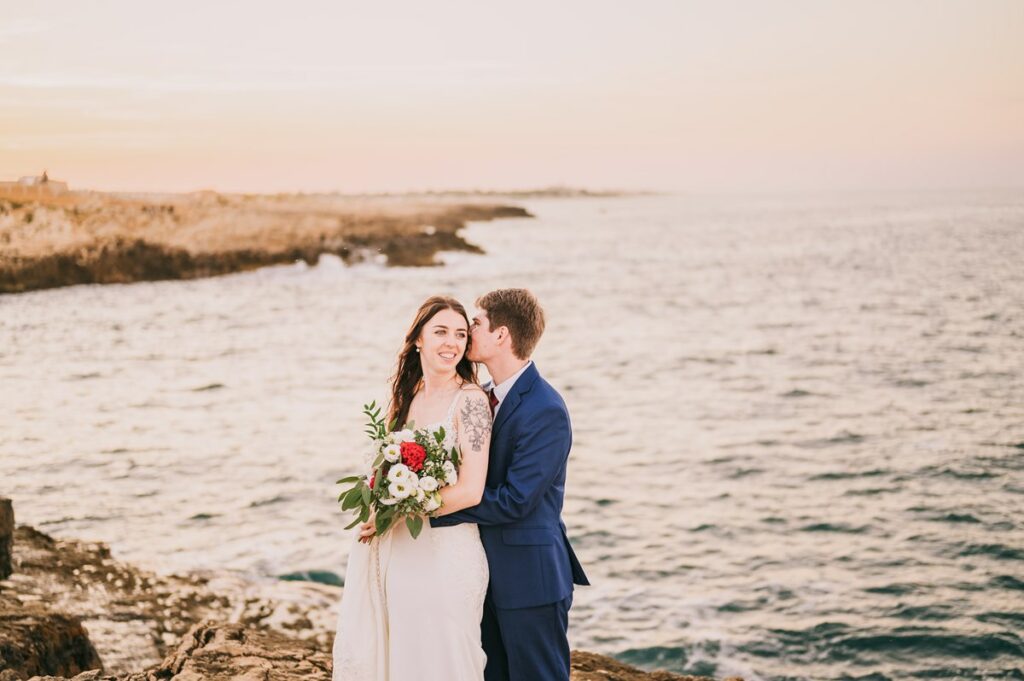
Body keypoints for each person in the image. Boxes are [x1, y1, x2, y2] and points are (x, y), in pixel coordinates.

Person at [430, 288, 590, 681]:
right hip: (482, 575)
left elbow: (516, 500)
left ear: (501, 336)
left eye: (476, 324)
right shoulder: (480, 397)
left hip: (530, 578)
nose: (467, 331)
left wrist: (429, 507)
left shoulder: (545, 409)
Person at [332, 295, 493, 681]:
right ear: (418, 339)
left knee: (441, 659)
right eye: (440, 332)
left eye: (459, 334)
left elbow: (472, 490)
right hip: (401, 552)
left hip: (446, 554)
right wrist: (378, 506)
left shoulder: (471, 401)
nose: (451, 343)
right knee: (402, 655)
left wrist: (401, 513)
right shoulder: (409, 396)